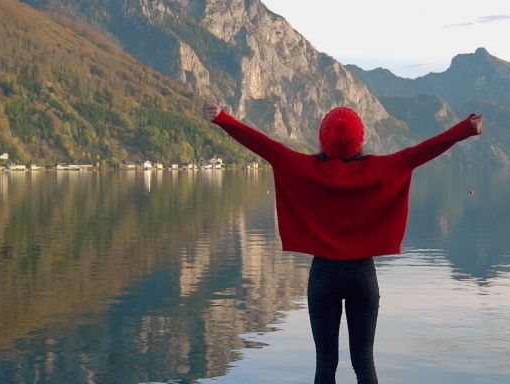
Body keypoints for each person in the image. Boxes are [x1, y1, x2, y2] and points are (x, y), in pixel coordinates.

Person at [207, 103, 483, 384]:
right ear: (359, 140)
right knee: (364, 362)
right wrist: (465, 129)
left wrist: (222, 118)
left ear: (323, 139)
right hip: (362, 275)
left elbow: (263, 145)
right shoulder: (382, 168)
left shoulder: (303, 168)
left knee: (325, 363)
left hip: (324, 275)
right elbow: (425, 149)